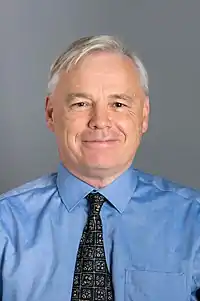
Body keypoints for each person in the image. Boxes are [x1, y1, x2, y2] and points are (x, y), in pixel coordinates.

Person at [0, 35, 200, 301]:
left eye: (118, 104)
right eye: (81, 104)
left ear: (143, 116)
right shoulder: (4, 225)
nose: (101, 121)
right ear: (51, 114)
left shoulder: (193, 222)